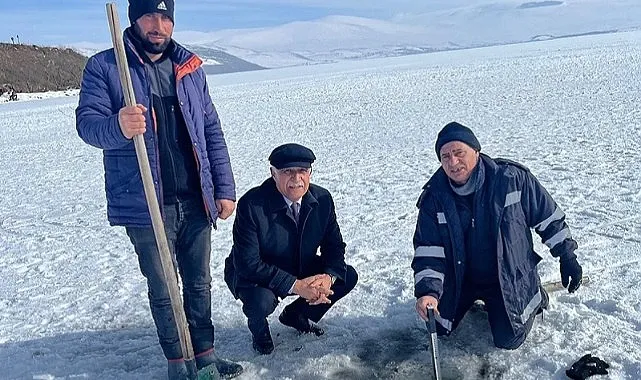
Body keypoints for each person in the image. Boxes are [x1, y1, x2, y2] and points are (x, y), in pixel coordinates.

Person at [75, 0, 242, 378]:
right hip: (146, 203)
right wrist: (118, 124)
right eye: (151, 15)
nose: (159, 25)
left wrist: (224, 187)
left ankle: (206, 357)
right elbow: (87, 125)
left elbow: (210, 131)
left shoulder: (189, 68)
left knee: (199, 283)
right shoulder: (106, 66)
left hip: (195, 198)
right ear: (135, 18)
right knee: (164, 288)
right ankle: (178, 363)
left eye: (166, 17)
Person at [412, 122, 583, 350]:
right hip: (462, 278)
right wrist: (428, 292)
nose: (453, 162)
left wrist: (567, 256)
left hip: (508, 276)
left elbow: (548, 217)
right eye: (445, 156)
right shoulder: (435, 197)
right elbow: (428, 250)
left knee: (509, 340)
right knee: (439, 326)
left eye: (459, 153)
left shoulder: (511, 179)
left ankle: (534, 293)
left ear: (476, 151)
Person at [224, 143, 358, 355]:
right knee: (260, 302)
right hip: (256, 274)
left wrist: (328, 277)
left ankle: (296, 315)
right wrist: (296, 285)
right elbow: (247, 263)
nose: (297, 179)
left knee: (345, 275)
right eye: (288, 172)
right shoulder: (252, 205)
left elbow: (334, 247)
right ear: (273, 174)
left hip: (298, 263)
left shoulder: (322, 200)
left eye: (302, 171)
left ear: (310, 173)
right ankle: (259, 332)